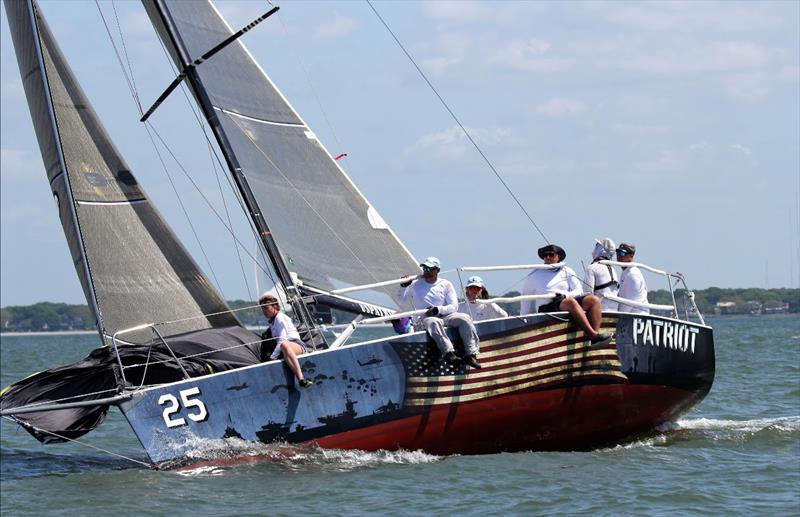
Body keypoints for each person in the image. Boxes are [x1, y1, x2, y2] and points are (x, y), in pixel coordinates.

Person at [397, 257, 481, 368]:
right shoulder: (415, 284)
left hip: (445, 315)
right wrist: (403, 285)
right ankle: (449, 353)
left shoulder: (446, 284)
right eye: (425, 268)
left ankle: (471, 354)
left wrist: (438, 309)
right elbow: (401, 300)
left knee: (464, 318)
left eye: (430, 268)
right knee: (434, 322)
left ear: (437, 270)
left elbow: (454, 306)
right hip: (425, 318)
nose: (426, 271)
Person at [520, 244, 612, 345]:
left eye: (551, 255)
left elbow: (579, 290)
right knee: (571, 302)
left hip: (564, 300)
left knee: (594, 300)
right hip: (547, 307)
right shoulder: (535, 274)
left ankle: (594, 339)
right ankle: (593, 335)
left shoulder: (567, 271)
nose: (547, 258)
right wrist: (523, 321)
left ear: (558, 257)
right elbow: (526, 298)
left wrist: (565, 295)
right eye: (545, 256)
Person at [260, 293, 313, 388]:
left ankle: (301, 379)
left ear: (275, 306)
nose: (264, 311)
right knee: (282, 347)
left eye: (266, 308)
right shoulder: (273, 322)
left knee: (284, 345)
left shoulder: (280, 318)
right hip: (286, 350)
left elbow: (282, 340)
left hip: (296, 346)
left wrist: (272, 357)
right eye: (262, 308)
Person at [584, 238, 619, 311]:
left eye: (597, 246)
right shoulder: (613, 269)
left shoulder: (592, 268)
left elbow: (587, 295)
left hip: (599, 312)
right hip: (614, 312)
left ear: (601, 250)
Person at [615, 243, 650, 314]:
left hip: (638, 316)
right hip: (629, 315)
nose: (618, 256)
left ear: (631, 256)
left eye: (622, 253)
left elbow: (629, 304)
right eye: (617, 253)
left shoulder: (633, 275)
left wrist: (616, 316)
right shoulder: (625, 272)